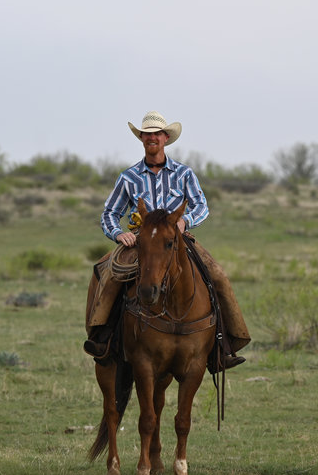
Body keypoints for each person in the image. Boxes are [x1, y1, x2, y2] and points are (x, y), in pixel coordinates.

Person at [83, 111, 249, 371]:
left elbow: (201, 206)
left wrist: (185, 222)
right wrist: (118, 233)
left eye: (157, 134)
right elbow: (109, 213)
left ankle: (226, 343)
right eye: (147, 134)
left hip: (177, 240)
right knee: (111, 274)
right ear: (141, 138)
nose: (152, 138)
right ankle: (102, 338)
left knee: (216, 274)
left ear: (166, 138)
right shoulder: (128, 177)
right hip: (142, 241)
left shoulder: (184, 174)